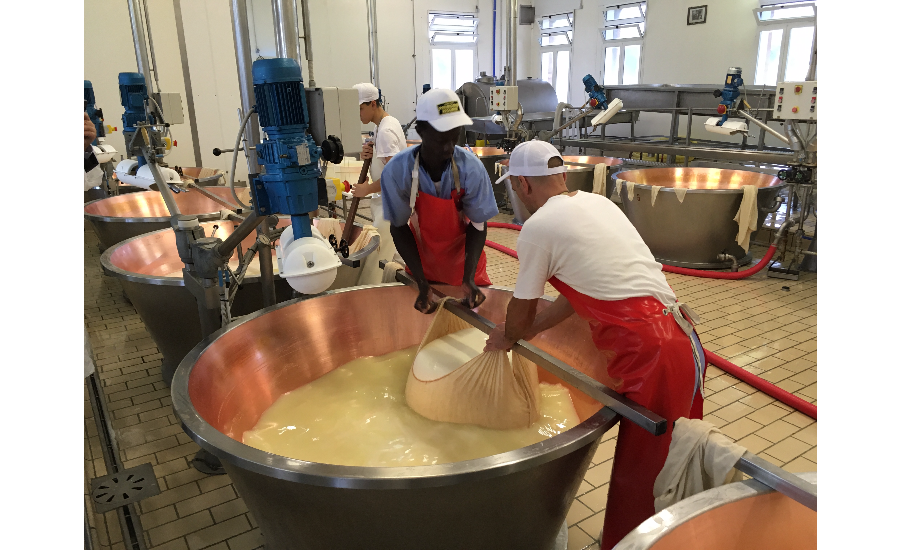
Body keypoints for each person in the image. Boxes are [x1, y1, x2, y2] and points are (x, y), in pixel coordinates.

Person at [483, 140, 706, 550]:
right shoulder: (598, 204)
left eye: (514, 187)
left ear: (522, 184)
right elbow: (575, 294)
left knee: (645, 471)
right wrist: (528, 333)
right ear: (561, 175)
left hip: (651, 354)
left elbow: (521, 307)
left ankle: (634, 545)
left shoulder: (538, 228)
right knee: (671, 460)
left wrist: (507, 335)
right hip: (683, 341)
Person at [380, 88, 498, 313]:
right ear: (420, 131)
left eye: (454, 137)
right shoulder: (398, 171)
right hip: (421, 264)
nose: (449, 147)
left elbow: (478, 225)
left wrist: (468, 279)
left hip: (466, 266)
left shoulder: (471, 169)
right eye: (440, 139)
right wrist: (422, 283)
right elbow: (399, 227)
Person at [350, 83, 404, 284]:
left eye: (361, 109)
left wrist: (367, 189)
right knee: (396, 255)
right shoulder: (381, 125)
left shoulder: (386, 131)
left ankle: (366, 296)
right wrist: (371, 156)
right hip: (388, 202)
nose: (359, 115)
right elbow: (387, 164)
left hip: (391, 205)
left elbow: (396, 175)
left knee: (375, 260)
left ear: (373, 103)